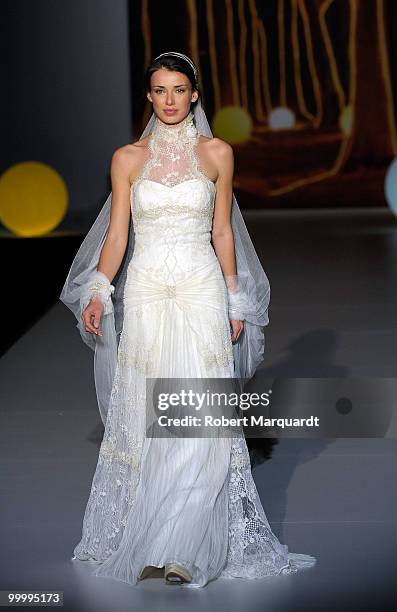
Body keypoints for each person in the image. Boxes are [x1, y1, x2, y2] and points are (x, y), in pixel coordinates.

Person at [60, 51, 316, 588]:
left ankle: (187, 548)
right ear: (149, 96)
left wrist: (233, 298)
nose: (170, 100)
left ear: (194, 94)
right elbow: (117, 236)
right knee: (151, 415)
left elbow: (222, 231)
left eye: (179, 89)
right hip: (149, 289)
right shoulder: (127, 158)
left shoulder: (217, 153)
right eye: (160, 90)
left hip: (200, 287)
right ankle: (155, 538)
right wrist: (99, 291)